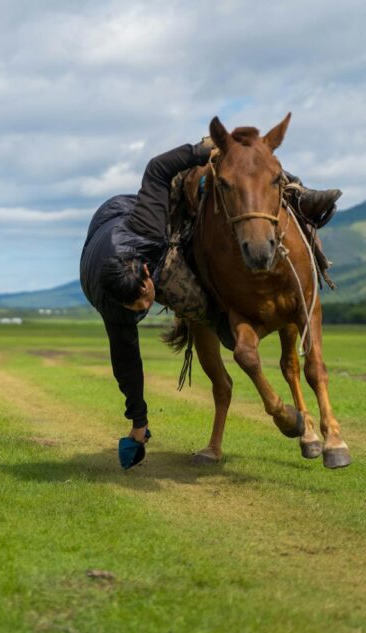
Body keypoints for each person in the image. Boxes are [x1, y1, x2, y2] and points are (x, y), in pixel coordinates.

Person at [79, 139, 340, 469]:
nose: (146, 306)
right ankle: (241, 341)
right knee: (198, 308)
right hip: (110, 244)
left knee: (219, 171)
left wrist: (202, 153)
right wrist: (138, 422)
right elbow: (126, 364)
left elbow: (156, 168)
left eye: (146, 298)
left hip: (123, 214)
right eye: (138, 310)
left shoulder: (144, 225)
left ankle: (296, 192)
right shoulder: (114, 308)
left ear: (147, 273)